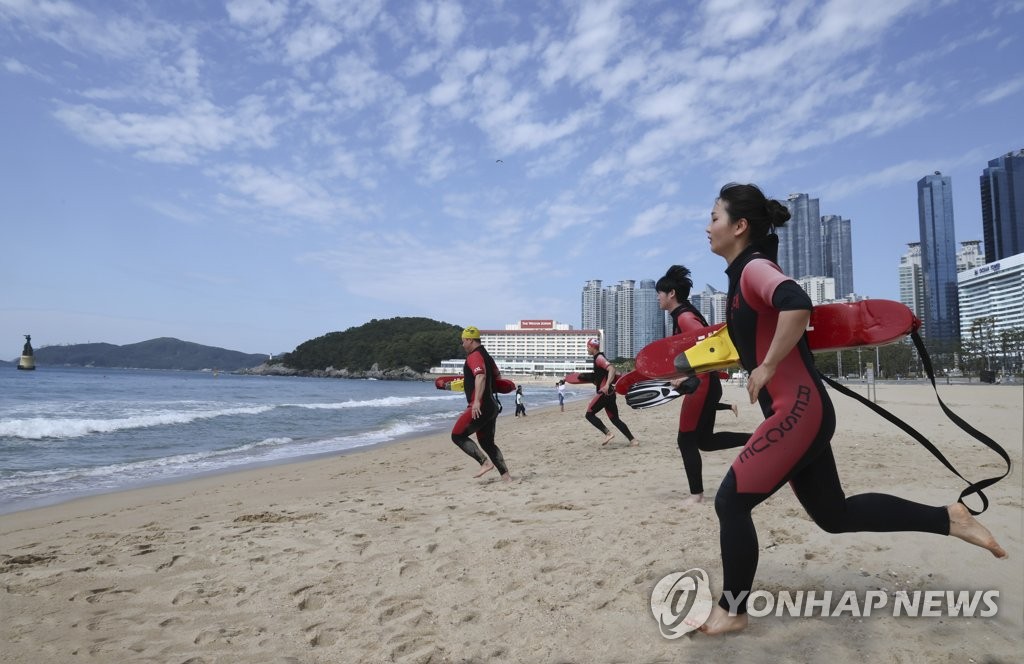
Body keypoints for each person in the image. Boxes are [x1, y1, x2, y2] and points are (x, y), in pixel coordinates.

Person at [690, 183, 1006, 636]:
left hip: (797, 412)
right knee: (834, 515)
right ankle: (948, 518)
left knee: (731, 503)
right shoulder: (740, 278)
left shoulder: (755, 269)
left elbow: (797, 303)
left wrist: (768, 365)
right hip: (801, 413)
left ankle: (734, 610)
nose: (708, 226)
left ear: (739, 227)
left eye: (715, 217)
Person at [656, 265, 747, 505]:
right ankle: (758, 438)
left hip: (702, 384)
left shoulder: (685, 317)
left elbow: (709, 348)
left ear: (671, 293)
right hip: (706, 383)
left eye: (660, 293)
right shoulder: (683, 315)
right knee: (704, 441)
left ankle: (696, 495)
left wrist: (687, 376)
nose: (658, 297)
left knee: (685, 440)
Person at [450, 326, 511, 482]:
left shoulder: (474, 356)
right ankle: (506, 477)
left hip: (481, 406)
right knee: (487, 442)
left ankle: (484, 462)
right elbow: (497, 376)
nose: (462, 345)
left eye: (463, 341)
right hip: (492, 406)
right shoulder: (487, 356)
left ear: (470, 340)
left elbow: (480, 376)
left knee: (457, 435)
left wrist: (476, 401)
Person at [583, 338, 638, 446]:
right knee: (615, 419)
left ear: (593, 347)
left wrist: (607, 385)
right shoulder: (598, 358)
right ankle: (633, 440)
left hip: (604, 393)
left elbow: (611, 369)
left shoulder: (599, 358)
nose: (587, 349)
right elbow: (605, 375)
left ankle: (608, 434)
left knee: (589, 415)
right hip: (610, 394)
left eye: (588, 347)